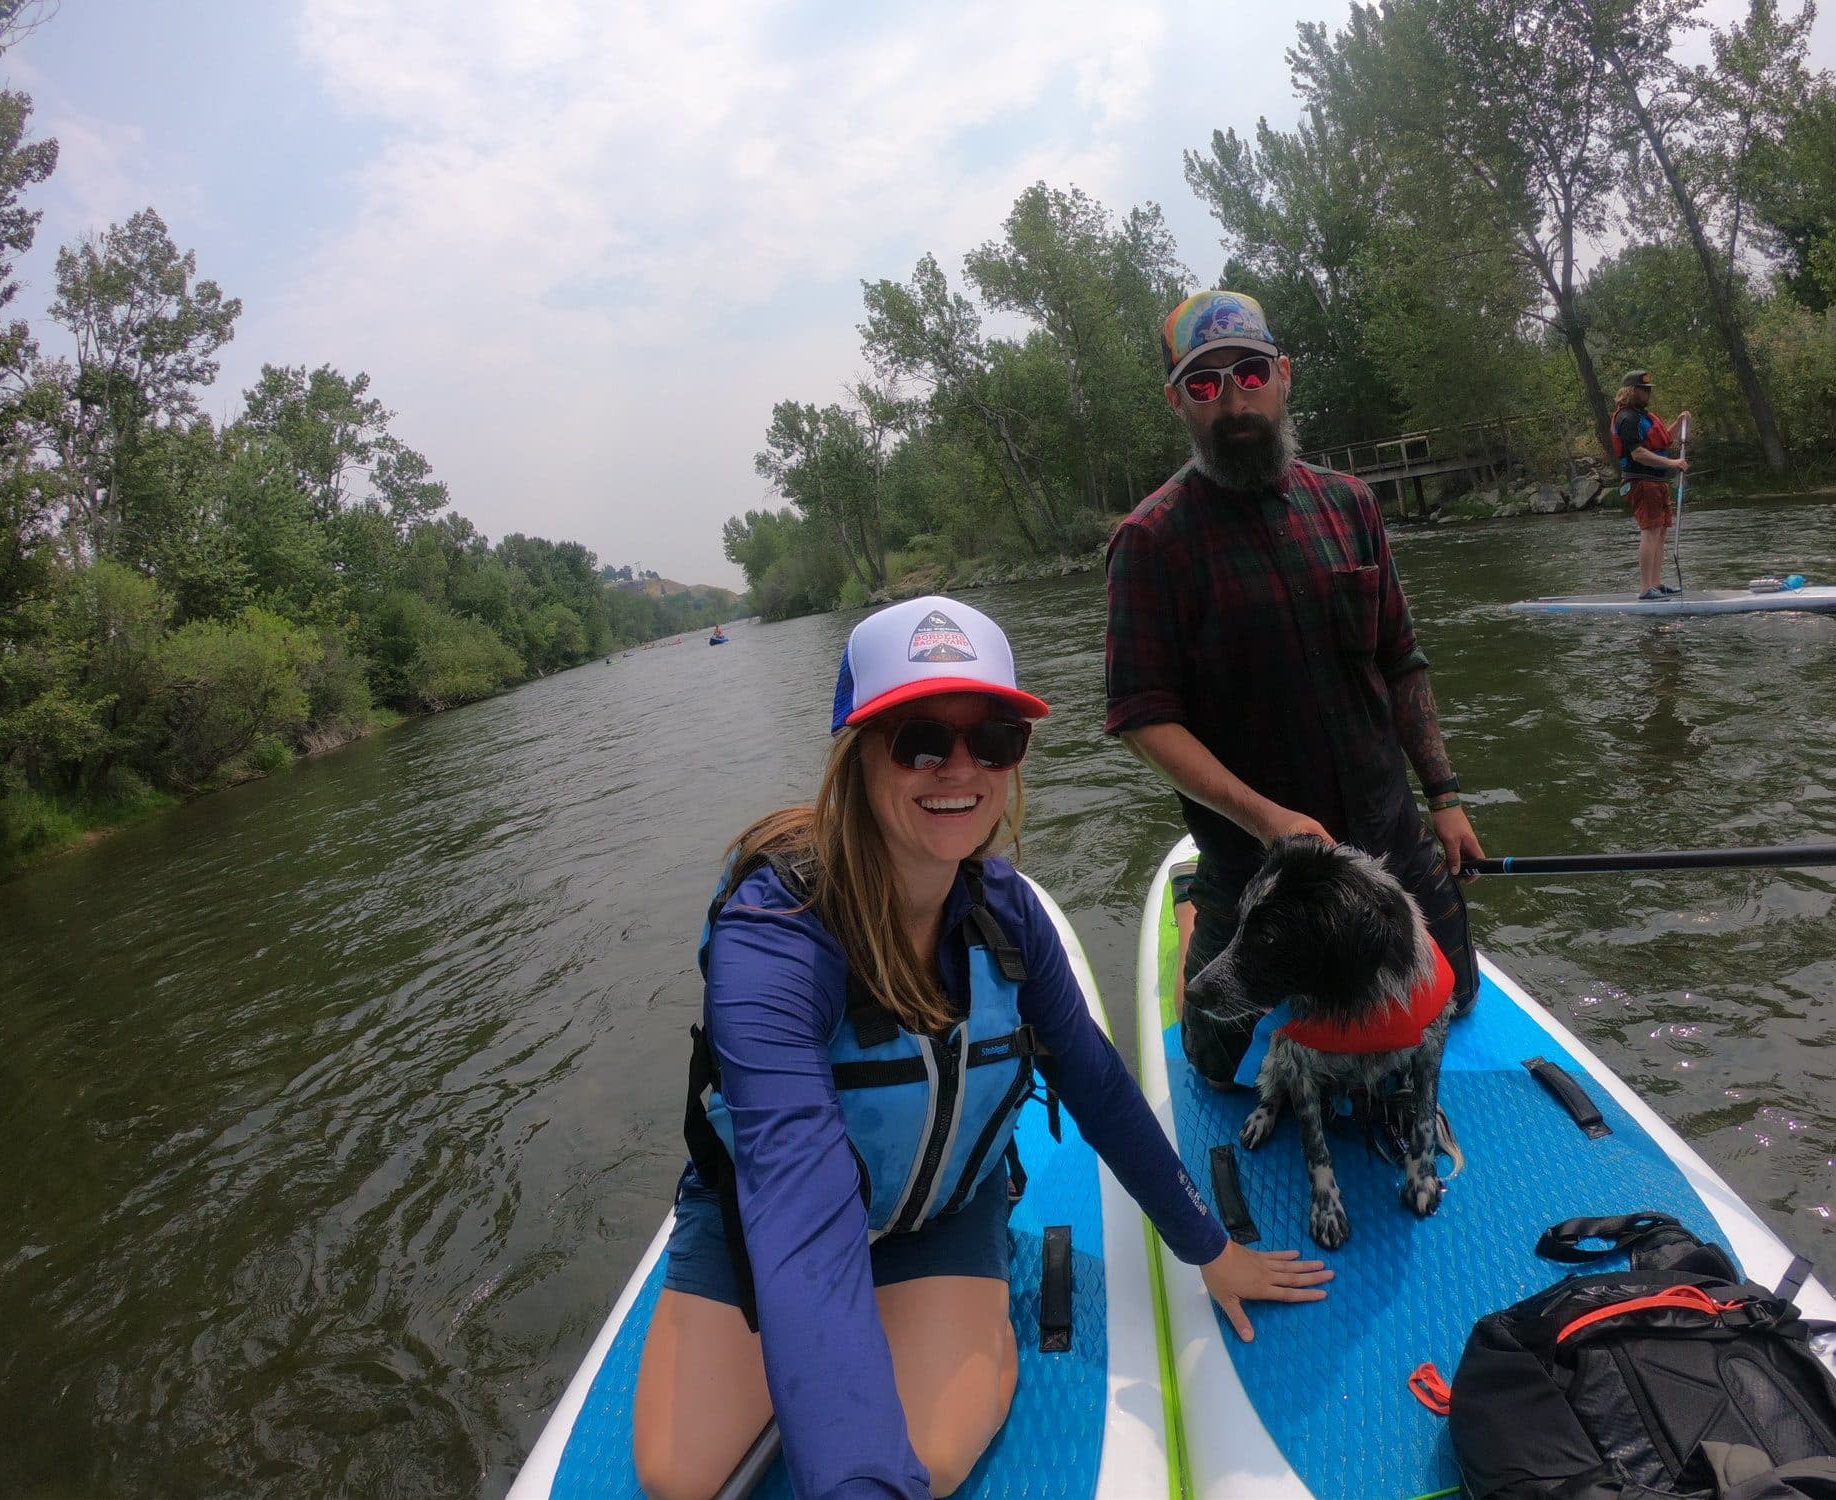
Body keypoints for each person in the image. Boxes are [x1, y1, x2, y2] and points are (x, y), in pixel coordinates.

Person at [632, 594, 1331, 1500]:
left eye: (994, 737)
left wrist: (1207, 1245)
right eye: (919, 737)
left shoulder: (1010, 919)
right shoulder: (774, 936)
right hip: (761, 1224)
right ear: (857, 755)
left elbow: (1098, 1088)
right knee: (679, 1478)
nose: (958, 767)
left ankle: (925, 1311)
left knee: (933, 1460)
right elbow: (798, 1204)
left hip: (939, 1212)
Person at [1103, 289, 1485, 1087]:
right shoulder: (1150, 541)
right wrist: (1265, 820)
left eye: (1249, 372)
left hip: (1387, 839)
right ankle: (1194, 899)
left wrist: (1444, 797)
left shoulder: (1351, 505)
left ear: (1283, 376)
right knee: (1216, 1064)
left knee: (1461, 999)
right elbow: (1143, 717)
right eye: (1205, 385)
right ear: (1177, 401)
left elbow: (1401, 659)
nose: (1233, 399)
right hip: (1256, 862)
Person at [1611, 370, 1692, 601]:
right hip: (1640, 482)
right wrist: (1673, 463)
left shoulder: (1643, 417)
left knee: (1661, 532)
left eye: (1649, 390)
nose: (1648, 393)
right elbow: (1638, 454)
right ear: (1630, 391)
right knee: (1650, 531)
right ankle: (1646, 589)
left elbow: (1661, 439)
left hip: (1656, 482)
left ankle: (1656, 583)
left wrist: (1678, 423)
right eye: (1644, 389)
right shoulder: (1627, 418)